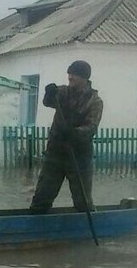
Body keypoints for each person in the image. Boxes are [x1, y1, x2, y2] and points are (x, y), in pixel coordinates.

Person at [29, 60, 103, 214]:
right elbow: (48, 102)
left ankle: (84, 231)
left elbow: (91, 128)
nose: (70, 77)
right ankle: (37, 228)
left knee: (82, 201)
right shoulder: (63, 92)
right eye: (69, 73)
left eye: (74, 74)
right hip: (55, 153)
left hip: (79, 156)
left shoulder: (94, 101)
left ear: (84, 77)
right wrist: (49, 92)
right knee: (42, 197)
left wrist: (73, 133)